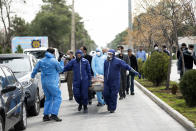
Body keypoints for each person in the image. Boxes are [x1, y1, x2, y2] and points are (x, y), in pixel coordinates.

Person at [31, 47, 64, 122]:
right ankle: (54, 115)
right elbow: (61, 70)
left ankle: (46, 116)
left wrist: (32, 77)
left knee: (48, 98)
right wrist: (61, 61)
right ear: (53, 53)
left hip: (44, 82)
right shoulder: (54, 61)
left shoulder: (41, 61)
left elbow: (35, 70)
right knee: (57, 97)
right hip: (52, 82)